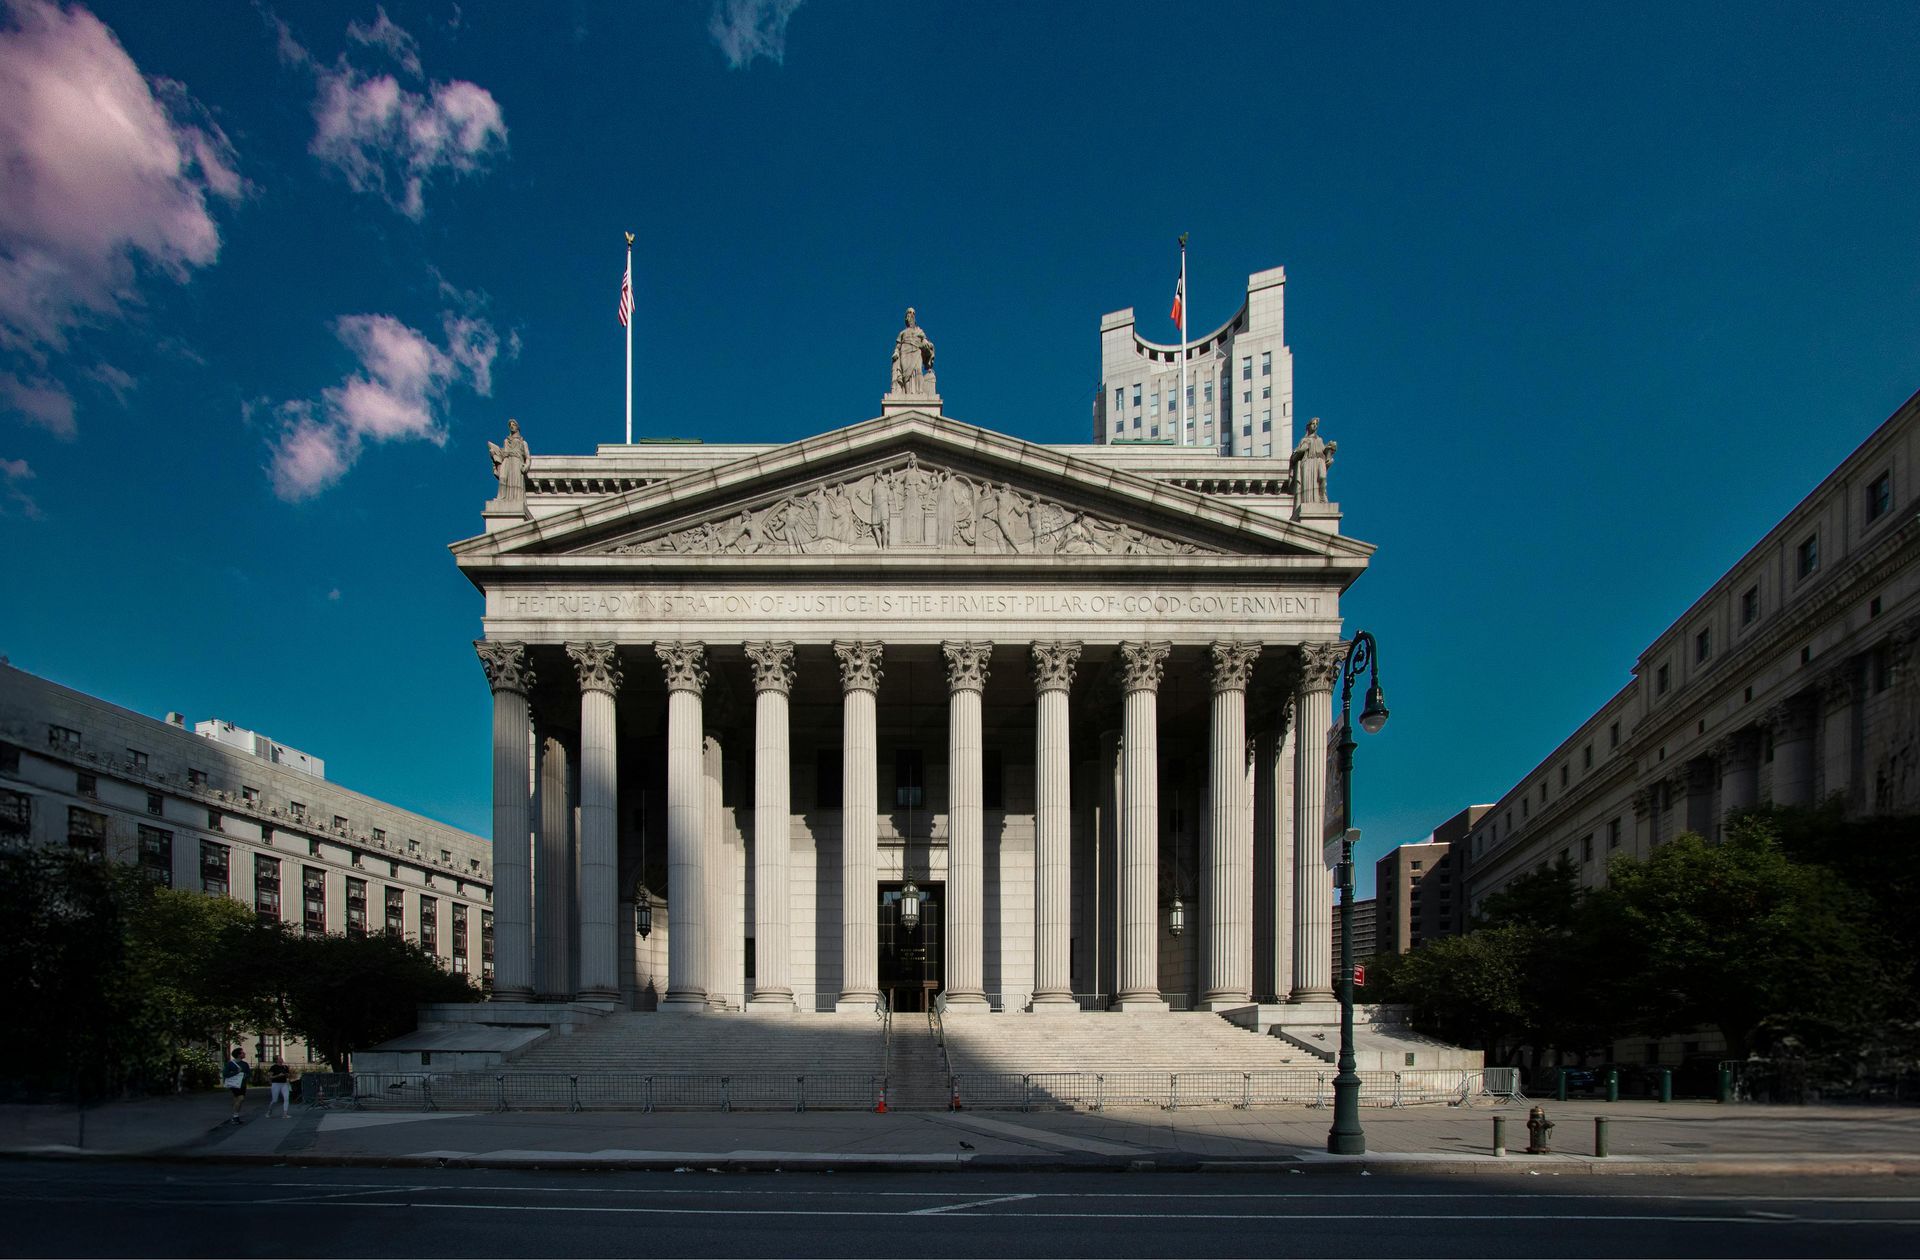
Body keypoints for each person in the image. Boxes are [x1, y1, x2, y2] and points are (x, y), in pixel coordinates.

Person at [222, 1046, 250, 1125]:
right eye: (242, 1052)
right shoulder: (230, 1064)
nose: (244, 1053)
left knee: (237, 1100)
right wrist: (236, 1072)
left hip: (242, 1084)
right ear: (238, 1055)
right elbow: (225, 1074)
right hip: (234, 1085)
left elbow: (249, 1073)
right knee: (241, 1098)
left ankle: (235, 1116)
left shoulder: (245, 1064)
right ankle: (235, 1116)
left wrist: (245, 1075)